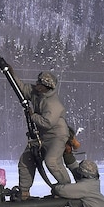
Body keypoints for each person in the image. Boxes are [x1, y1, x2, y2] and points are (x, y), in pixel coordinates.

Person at [17, 70, 71, 198]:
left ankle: (66, 188)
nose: (36, 84)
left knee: (51, 161)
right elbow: (23, 88)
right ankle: (24, 191)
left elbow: (47, 123)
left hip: (57, 136)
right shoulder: (37, 93)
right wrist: (10, 72)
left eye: (39, 83)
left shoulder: (53, 103)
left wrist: (33, 116)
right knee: (26, 160)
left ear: (46, 87)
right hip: (41, 136)